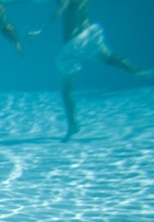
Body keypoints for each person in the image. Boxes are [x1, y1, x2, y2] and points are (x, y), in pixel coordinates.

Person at [28, 0, 152, 141]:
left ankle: (73, 124)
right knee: (111, 59)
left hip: (74, 43)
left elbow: (61, 9)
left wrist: (41, 30)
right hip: (89, 34)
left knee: (67, 90)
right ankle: (138, 73)